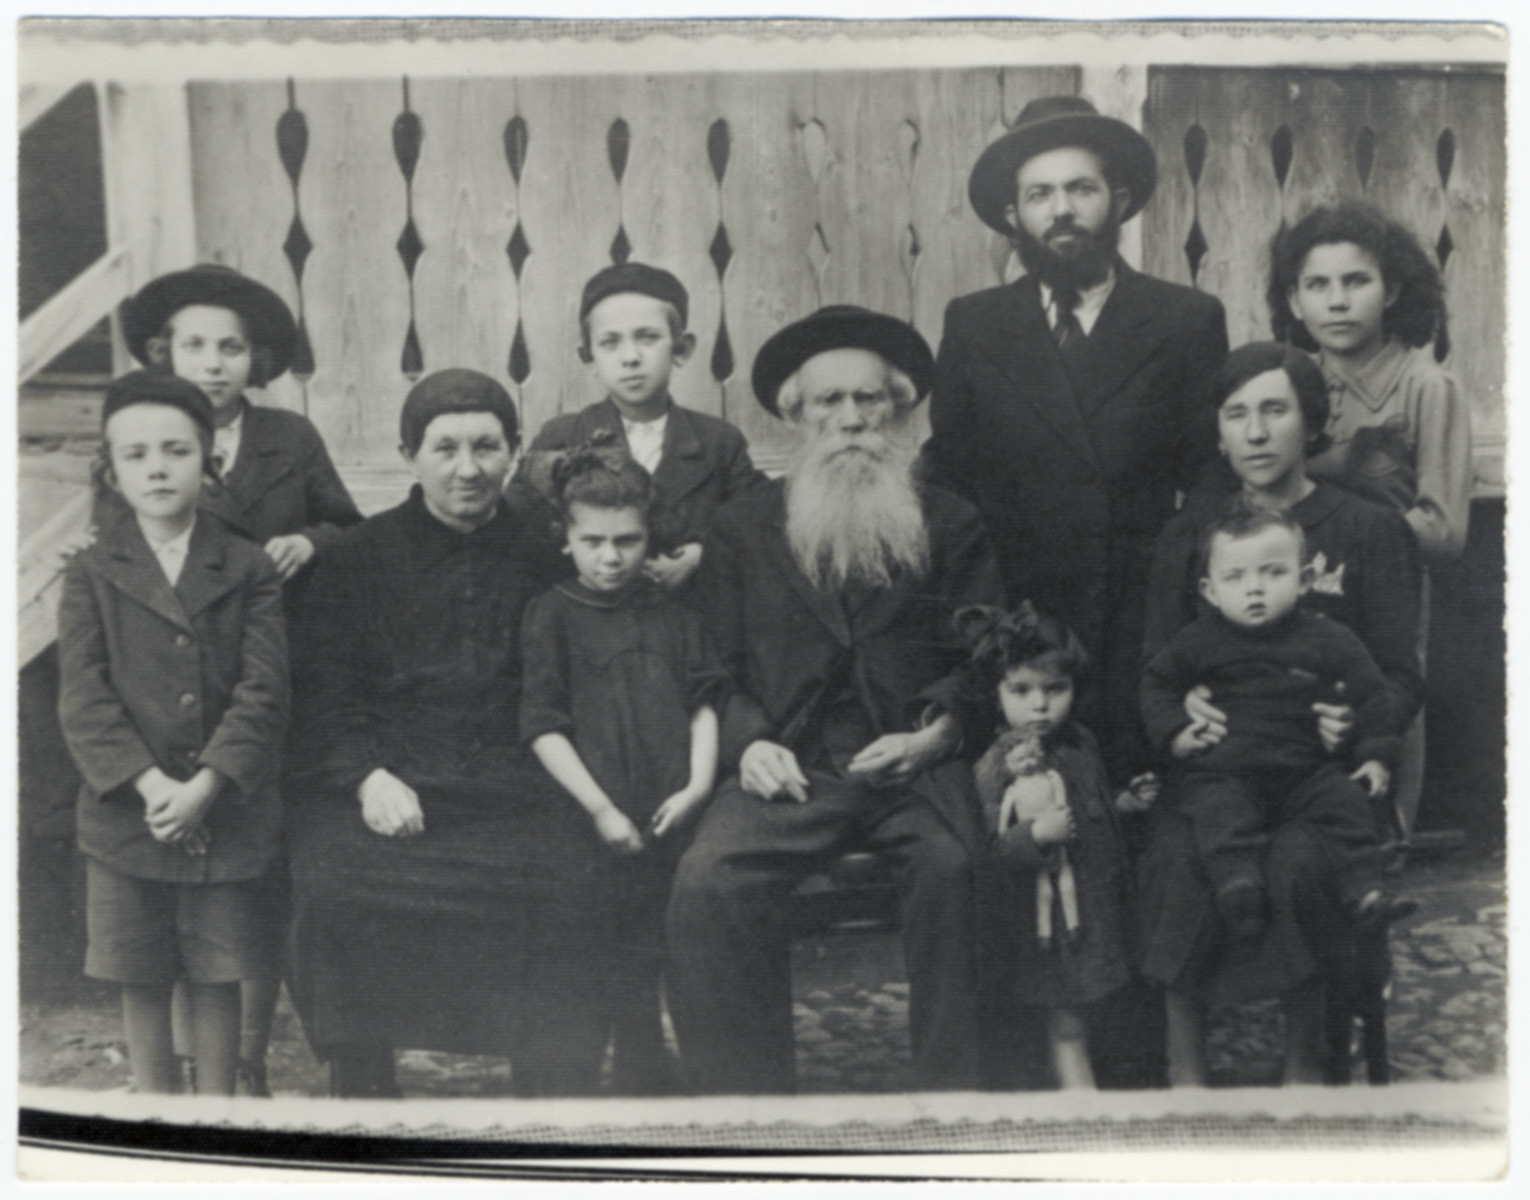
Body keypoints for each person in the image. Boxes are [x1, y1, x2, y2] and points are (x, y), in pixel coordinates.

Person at [666, 305, 1004, 1094]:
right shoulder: (742, 527)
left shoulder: (951, 521)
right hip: (791, 765)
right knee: (708, 881)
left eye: (870, 401)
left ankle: (953, 1109)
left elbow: (987, 651)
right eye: (829, 403)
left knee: (959, 871)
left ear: (900, 410)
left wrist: (938, 734)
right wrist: (748, 742)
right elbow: (708, 661)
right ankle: (746, 1115)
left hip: (912, 764)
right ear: (795, 416)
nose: (851, 420)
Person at [283, 369, 601, 1098]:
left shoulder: (546, 555)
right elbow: (324, 690)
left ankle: (550, 1098)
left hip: (516, 780)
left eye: (487, 446)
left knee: (567, 880)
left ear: (514, 452)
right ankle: (363, 1088)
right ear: (409, 454)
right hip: (389, 777)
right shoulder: (356, 558)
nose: (468, 468)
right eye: (445, 447)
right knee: (332, 884)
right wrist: (367, 776)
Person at [921, 94, 1230, 791]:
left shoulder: (1185, 319)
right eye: (1040, 194)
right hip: (1018, 620)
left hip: (1138, 614)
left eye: (1080, 189)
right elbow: (948, 467)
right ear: (1014, 216)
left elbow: (1210, 471)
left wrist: (1176, 583)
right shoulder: (974, 324)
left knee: (1133, 802)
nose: (1061, 210)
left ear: (1117, 202)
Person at [1137, 342, 1423, 1085]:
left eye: (1275, 410)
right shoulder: (1192, 536)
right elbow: (1158, 664)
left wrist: (1354, 724)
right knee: (1180, 855)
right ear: (1220, 432)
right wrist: (1185, 713)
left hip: (1317, 774)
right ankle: (1184, 1062)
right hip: (1218, 769)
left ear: (1310, 419)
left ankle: (1308, 1057)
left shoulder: (1366, 529)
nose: (1256, 433)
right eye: (1237, 415)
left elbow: (1396, 671)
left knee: (1299, 862)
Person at [57, 372, 289, 1096]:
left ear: (208, 456)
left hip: (225, 810)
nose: (157, 467)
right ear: (112, 468)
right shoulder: (92, 572)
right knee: (141, 972)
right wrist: (157, 788)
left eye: (175, 450)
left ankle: (216, 1115)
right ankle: (155, 1118)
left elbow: (264, 690)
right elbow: (85, 698)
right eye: (136, 455)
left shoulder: (247, 567)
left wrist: (207, 787)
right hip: (128, 814)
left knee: (218, 971)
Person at [520, 437, 730, 1094]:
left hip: (671, 807)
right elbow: (542, 727)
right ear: (566, 540)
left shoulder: (673, 614)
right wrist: (601, 809)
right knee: (597, 938)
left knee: (663, 934)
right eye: (593, 542)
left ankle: (652, 1062)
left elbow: (704, 703)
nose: (610, 558)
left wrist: (697, 785)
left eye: (628, 541)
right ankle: (584, 1075)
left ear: (650, 538)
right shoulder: (552, 614)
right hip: (590, 814)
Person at [1269, 201, 1472, 836]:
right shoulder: (1293, 385)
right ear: (1294, 301)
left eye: (1356, 282)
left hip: (1386, 597)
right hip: (1296, 590)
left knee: (1381, 721)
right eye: (1316, 285)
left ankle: (1384, 851)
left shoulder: (1425, 386)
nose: (1336, 301)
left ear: (1392, 291)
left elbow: (1444, 532)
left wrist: (1349, 530)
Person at [1141, 507, 1407, 941]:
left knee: (1346, 803)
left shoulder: (1329, 637)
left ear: (1303, 581)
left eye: (1272, 573)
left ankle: (1365, 891)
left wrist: (1375, 757)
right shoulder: (1196, 641)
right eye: (1236, 578)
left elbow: (1372, 696)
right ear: (1210, 591)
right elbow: (1156, 682)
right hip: (1226, 769)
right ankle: (1237, 887)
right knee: (1216, 810)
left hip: (1307, 769)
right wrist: (1175, 731)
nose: (1255, 589)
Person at [960, 603, 1133, 1091]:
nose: (1039, 705)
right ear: (997, 695)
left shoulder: (1080, 744)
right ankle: (1078, 1089)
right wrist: (1033, 835)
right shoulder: (997, 763)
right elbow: (989, 847)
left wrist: (1123, 802)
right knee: (1064, 1013)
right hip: (1044, 920)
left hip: (1093, 906)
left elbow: (1090, 807)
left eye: (1055, 690)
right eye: (1021, 691)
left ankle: (1107, 1073)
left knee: (1099, 999)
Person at [511, 262, 765, 593]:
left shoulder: (719, 442)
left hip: (687, 624)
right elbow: (520, 529)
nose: (630, 357)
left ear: (682, 348)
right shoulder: (563, 436)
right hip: (588, 622)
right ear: (588, 355)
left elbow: (755, 526)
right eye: (610, 342)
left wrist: (701, 554)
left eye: (647, 338)